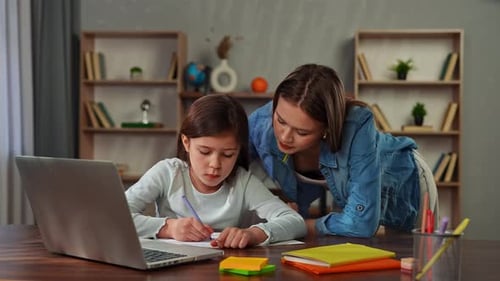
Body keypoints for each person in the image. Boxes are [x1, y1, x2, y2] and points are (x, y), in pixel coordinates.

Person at [248, 64, 438, 238]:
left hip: (400, 181)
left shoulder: (357, 127)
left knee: (409, 264)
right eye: (280, 121)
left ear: (327, 129)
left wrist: (295, 226)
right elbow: (226, 162)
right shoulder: (262, 122)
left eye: (302, 131)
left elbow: (360, 224)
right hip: (349, 194)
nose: (285, 137)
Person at [125, 94, 306, 248]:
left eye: (228, 154)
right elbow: (117, 217)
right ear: (186, 143)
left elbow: (295, 222)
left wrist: (253, 234)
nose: (215, 164)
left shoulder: (242, 182)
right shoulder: (168, 173)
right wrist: (168, 228)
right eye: (205, 152)